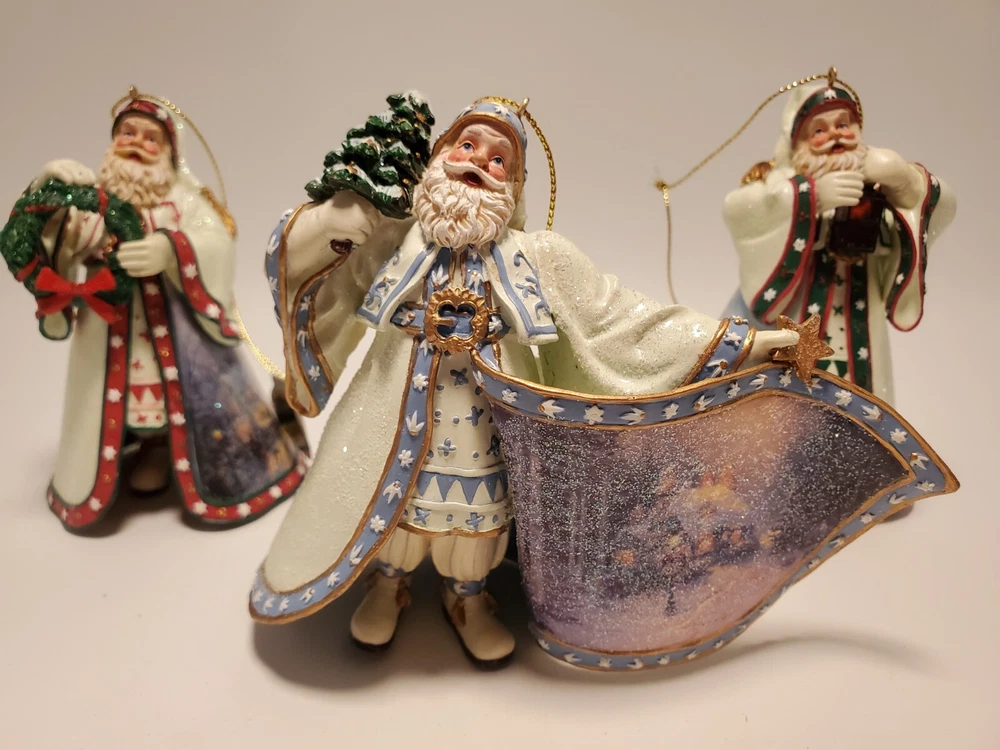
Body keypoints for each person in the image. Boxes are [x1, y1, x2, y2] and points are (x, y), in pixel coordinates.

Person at [251, 96, 796, 668]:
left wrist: (738, 342)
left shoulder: (535, 257)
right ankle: (388, 584)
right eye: (467, 145)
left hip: (487, 417)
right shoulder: (394, 239)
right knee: (393, 496)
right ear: (438, 157)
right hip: (391, 406)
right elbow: (317, 268)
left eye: (498, 160)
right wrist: (330, 223)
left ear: (513, 188)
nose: (478, 163)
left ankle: (469, 598)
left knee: (479, 507)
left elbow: (617, 318)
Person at [16, 90, 305, 530]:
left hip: (180, 329)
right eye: (127, 133)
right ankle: (129, 450)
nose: (136, 143)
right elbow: (52, 237)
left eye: (150, 138)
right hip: (108, 329)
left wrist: (171, 249)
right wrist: (46, 186)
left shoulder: (185, 199)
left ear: (170, 151)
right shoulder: (91, 198)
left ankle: (168, 452)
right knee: (114, 398)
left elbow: (217, 239)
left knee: (181, 397)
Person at [721, 80, 956, 403]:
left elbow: (942, 205)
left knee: (861, 405)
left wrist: (905, 182)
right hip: (793, 315)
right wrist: (810, 198)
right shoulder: (779, 184)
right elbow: (740, 209)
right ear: (797, 142)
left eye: (844, 125)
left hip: (861, 321)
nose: (835, 136)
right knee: (783, 404)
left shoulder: (878, 185)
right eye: (819, 130)